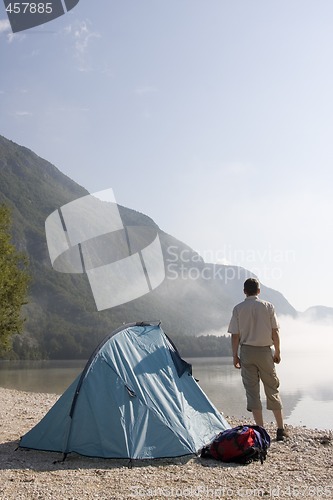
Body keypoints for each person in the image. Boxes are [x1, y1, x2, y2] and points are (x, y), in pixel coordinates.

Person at [228, 277, 287, 441]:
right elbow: (275, 332)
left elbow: (235, 335)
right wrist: (278, 352)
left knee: (252, 391)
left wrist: (235, 355)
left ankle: (261, 431)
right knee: (272, 388)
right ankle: (280, 430)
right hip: (265, 351)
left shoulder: (238, 308)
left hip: (246, 351)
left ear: (244, 291)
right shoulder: (268, 306)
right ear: (258, 291)